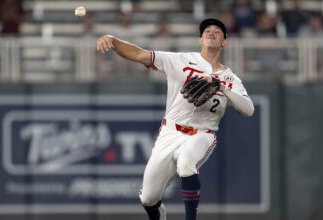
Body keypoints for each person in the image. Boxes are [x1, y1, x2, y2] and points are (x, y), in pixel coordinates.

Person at [96, 18, 254, 220]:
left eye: (217, 30)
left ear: (225, 42)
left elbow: (248, 110)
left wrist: (221, 86)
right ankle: (157, 213)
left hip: (202, 134)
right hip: (170, 133)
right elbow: (138, 54)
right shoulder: (180, 60)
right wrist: (112, 39)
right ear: (200, 39)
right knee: (148, 198)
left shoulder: (230, 78)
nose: (211, 32)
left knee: (187, 163)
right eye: (206, 30)